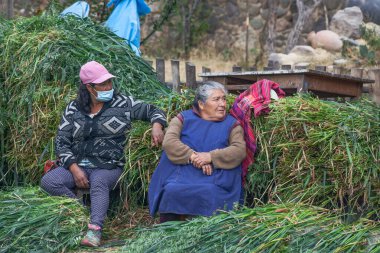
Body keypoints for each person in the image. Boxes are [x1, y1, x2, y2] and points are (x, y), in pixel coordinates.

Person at [40, 60, 166, 247]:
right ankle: (81, 213)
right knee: (49, 181)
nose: (109, 87)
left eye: (109, 82)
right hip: (78, 164)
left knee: (98, 181)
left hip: (110, 165)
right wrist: (74, 169)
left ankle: (95, 230)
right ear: (89, 87)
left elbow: (154, 110)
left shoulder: (123, 103)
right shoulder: (73, 109)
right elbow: (61, 142)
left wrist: (157, 126)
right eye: (103, 84)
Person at [148, 81, 246, 223]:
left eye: (224, 99)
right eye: (216, 99)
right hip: (183, 174)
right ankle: (168, 232)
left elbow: (239, 150)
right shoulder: (183, 118)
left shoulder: (232, 124)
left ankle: (208, 232)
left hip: (215, 176)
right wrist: (194, 157)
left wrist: (210, 156)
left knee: (209, 191)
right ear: (201, 104)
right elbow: (169, 141)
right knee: (172, 190)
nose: (223, 104)